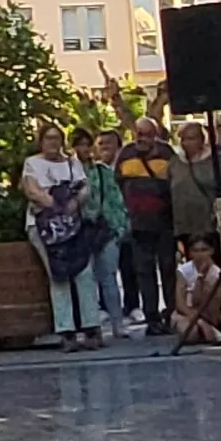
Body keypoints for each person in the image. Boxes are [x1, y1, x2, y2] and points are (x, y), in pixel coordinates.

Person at [22, 123, 108, 350]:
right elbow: (32, 190)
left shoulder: (72, 162)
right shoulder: (32, 163)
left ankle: (91, 328)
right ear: (41, 140)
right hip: (44, 226)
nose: (53, 142)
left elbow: (85, 188)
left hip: (73, 225)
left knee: (84, 273)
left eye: (56, 138)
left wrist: (74, 202)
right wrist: (55, 205)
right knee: (57, 275)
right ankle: (66, 332)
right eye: (48, 138)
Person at [114, 117, 177, 336]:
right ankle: (152, 317)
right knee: (143, 271)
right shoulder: (125, 155)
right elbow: (117, 185)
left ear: (155, 135)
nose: (142, 139)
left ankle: (172, 314)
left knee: (169, 269)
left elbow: (176, 184)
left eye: (147, 134)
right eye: (139, 134)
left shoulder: (167, 154)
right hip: (138, 224)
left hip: (165, 223)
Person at [78, 128, 133, 337]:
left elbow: (116, 201)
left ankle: (118, 324)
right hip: (78, 231)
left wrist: (119, 229)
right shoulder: (67, 171)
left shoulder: (102, 171)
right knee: (85, 279)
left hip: (104, 229)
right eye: (78, 144)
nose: (83, 149)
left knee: (108, 277)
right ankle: (92, 326)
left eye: (86, 144)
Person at [169, 119, 221, 269]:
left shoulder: (215, 160)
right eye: (183, 138)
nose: (186, 142)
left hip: (210, 225)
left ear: (202, 140)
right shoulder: (175, 163)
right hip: (184, 226)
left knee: (215, 266)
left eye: (191, 138)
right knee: (192, 269)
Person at [173, 235, 221, 347]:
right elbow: (179, 303)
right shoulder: (184, 270)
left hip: (209, 313)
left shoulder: (217, 273)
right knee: (190, 334)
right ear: (189, 253)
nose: (200, 255)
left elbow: (216, 305)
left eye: (204, 250)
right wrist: (197, 320)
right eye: (195, 250)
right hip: (187, 314)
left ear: (211, 251)